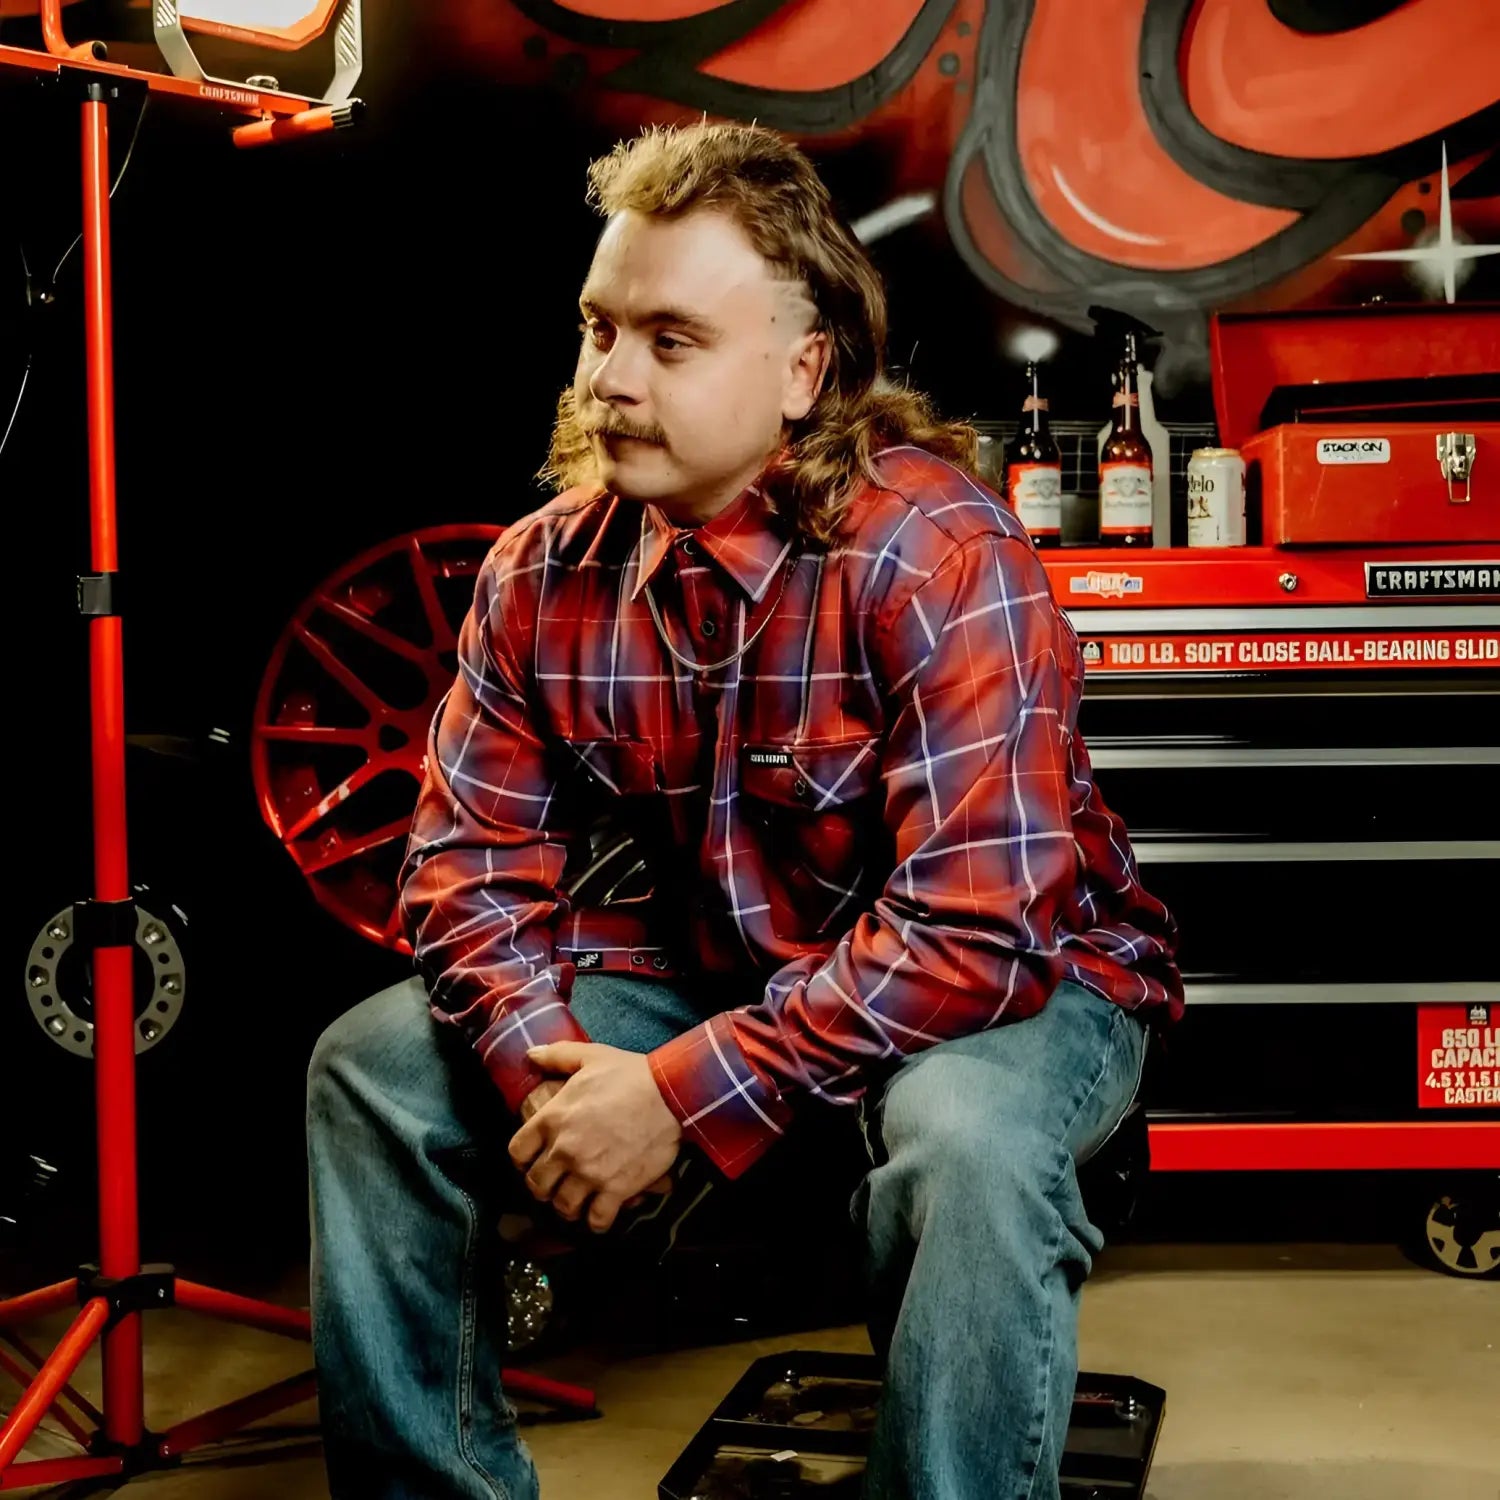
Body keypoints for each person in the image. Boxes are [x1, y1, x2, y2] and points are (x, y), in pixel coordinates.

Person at [306, 120, 1181, 1500]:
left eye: (670, 341)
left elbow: (976, 935)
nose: (608, 379)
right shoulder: (543, 570)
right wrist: (561, 1080)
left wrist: (676, 1096)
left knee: (967, 1143)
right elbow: (466, 868)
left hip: (1020, 993)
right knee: (374, 1069)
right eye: (600, 331)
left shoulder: (940, 554)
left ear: (803, 371)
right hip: (721, 972)